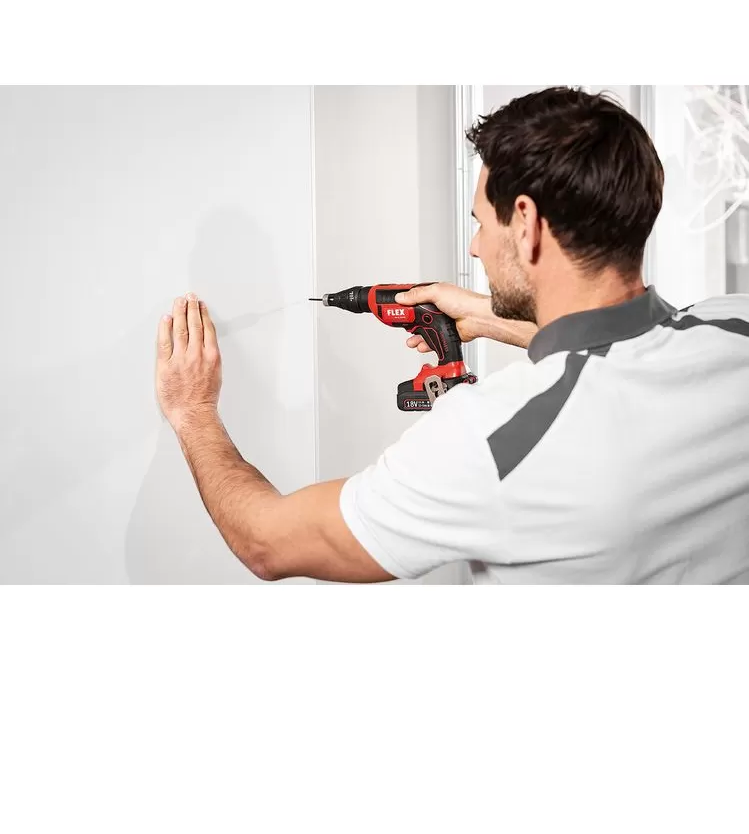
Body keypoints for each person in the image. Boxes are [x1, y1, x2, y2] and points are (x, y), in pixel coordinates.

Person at [155, 87, 749, 584]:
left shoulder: (489, 441)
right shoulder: (734, 333)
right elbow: (635, 341)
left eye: (480, 223)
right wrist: (490, 318)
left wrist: (193, 410)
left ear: (525, 223)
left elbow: (266, 542)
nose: (474, 247)